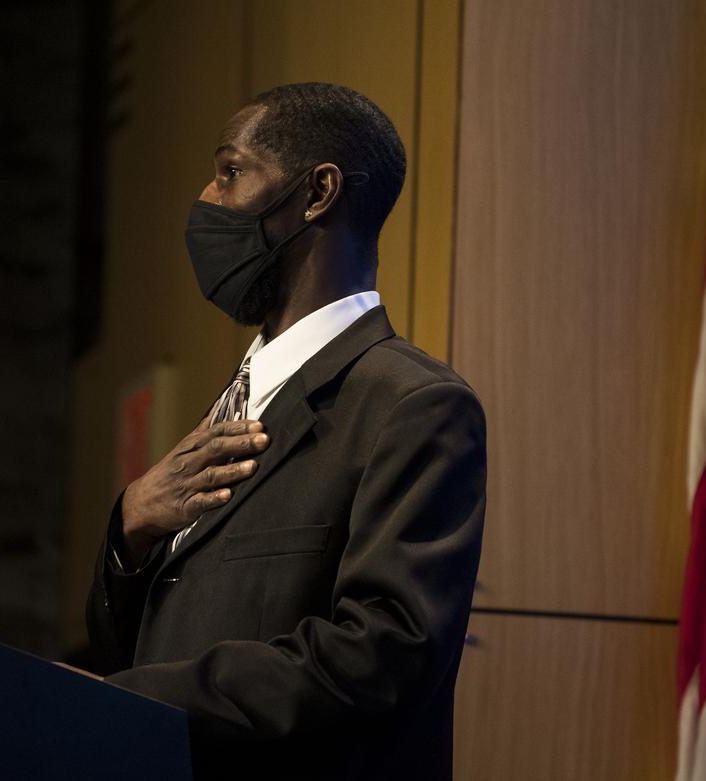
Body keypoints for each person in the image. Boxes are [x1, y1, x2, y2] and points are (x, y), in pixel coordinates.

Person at [85, 82, 486, 780]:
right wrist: (129, 533)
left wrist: (141, 700)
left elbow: (380, 654)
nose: (207, 199)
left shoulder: (413, 404)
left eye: (230, 170)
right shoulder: (231, 407)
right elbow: (136, 646)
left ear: (317, 191)